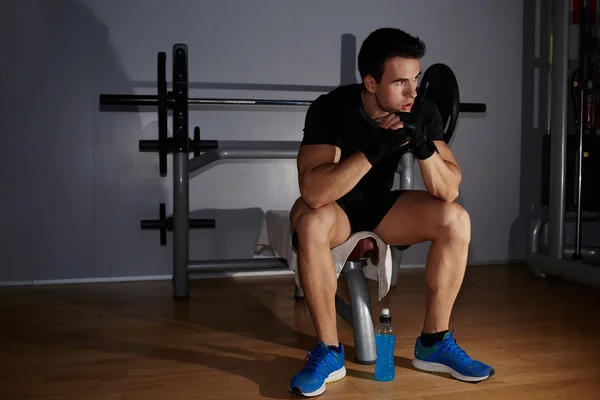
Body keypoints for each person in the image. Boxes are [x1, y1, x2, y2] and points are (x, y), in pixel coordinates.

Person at [287, 27, 494, 397]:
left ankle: (434, 342)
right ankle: (329, 353)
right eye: (401, 82)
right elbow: (314, 192)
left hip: (382, 207)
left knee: (456, 218)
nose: (413, 92)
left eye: (415, 79)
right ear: (370, 82)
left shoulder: (421, 110)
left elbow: (449, 189)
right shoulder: (331, 108)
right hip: (337, 210)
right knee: (310, 218)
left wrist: (424, 146)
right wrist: (376, 149)